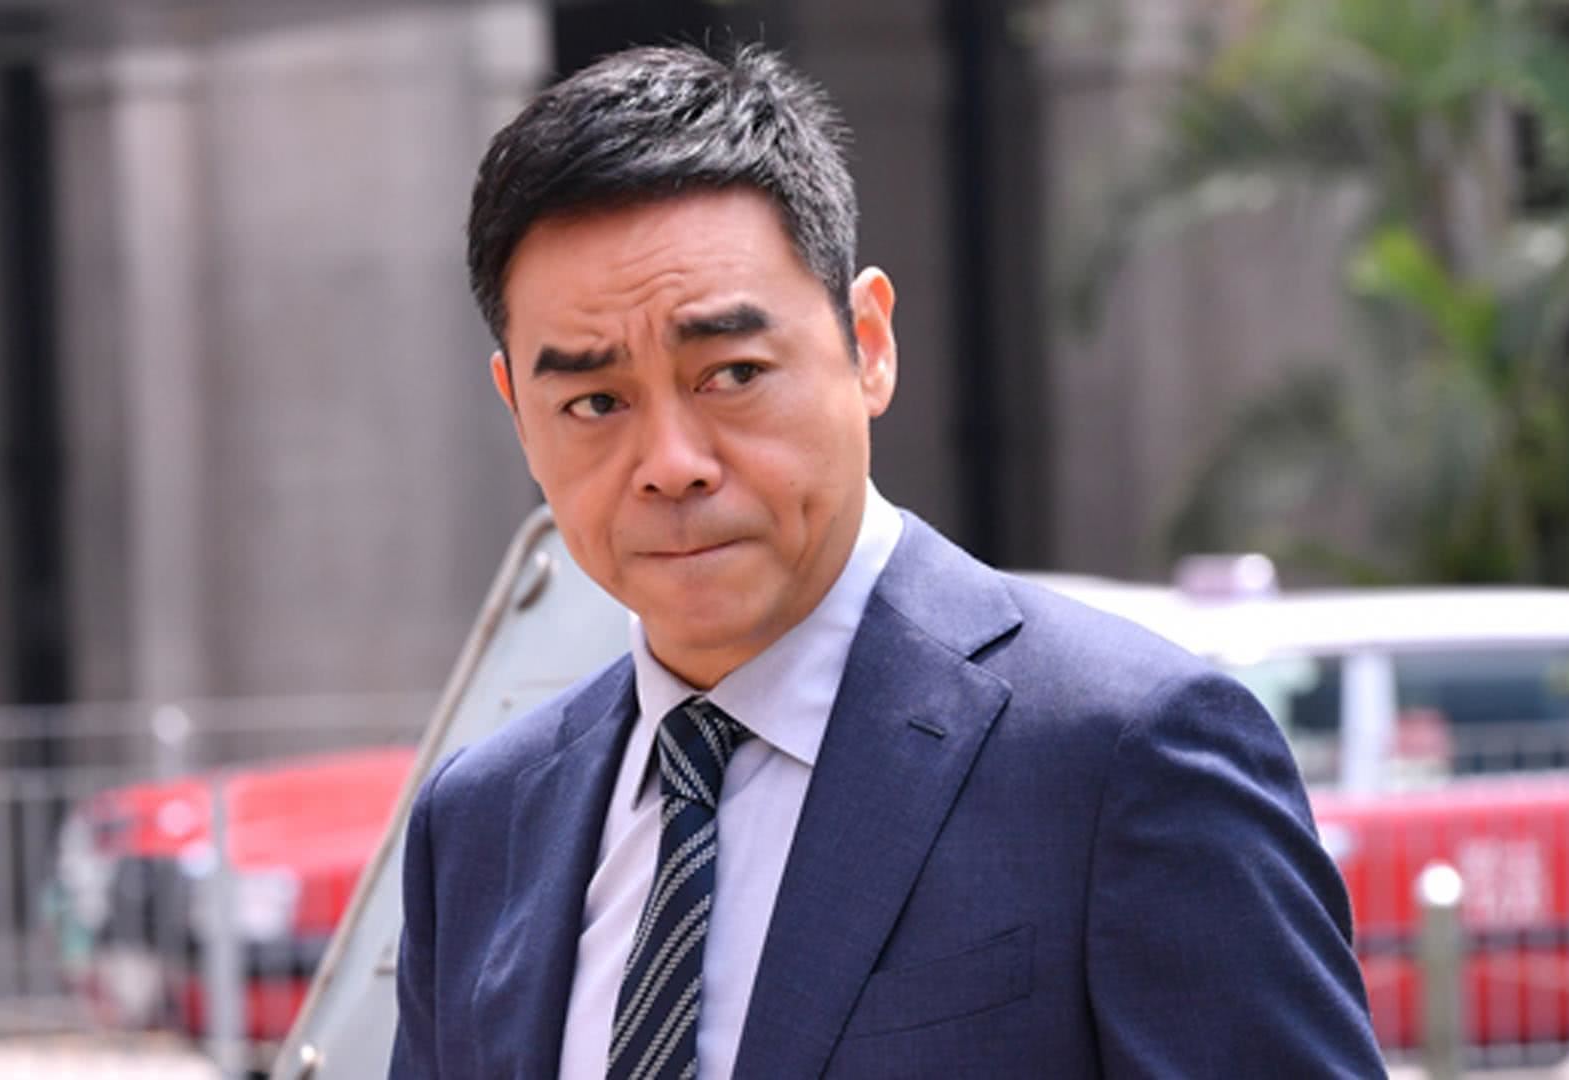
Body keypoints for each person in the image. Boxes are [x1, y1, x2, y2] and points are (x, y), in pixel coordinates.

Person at [389, 44, 1380, 1079]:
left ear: (868, 344)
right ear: (519, 414)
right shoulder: (480, 824)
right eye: (595, 402)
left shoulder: (1122, 756)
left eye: (731, 373)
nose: (671, 464)